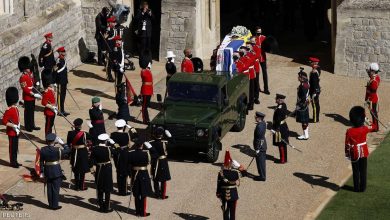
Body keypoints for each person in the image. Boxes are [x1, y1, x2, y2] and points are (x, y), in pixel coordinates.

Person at [345, 106, 375, 192]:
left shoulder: (349, 131)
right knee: (363, 170)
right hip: (363, 151)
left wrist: (347, 154)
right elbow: (374, 126)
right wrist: (366, 119)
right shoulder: (364, 129)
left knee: (355, 171)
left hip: (354, 152)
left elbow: (347, 144)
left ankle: (356, 187)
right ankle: (363, 188)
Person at [39, 133, 70, 210]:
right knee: (56, 189)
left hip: (47, 171)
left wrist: (42, 171)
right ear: (54, 141)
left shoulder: (43, 149)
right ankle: (55, 205)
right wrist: (62, 143)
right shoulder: (57, 150)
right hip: (56, 171)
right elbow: (68, 150)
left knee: (49, 188)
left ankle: (50, 204)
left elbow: (41, 162)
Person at [90, 133, 115, 213]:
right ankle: (107, 207)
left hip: (99, 169)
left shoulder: (94, 149)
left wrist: (92, 171)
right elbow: (118, 151)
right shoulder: (109, 149)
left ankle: (101, 206)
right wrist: (114, 143)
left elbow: (91, 161)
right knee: (107, 188)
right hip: (107, 169)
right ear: (106, 141)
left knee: (100, 187)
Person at [127, 139, 153, 217]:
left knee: (137, 194)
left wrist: (130, 175)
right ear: (142, 145)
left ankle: (137, 211)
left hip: (134, 175)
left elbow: (128, 165)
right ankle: (143, 213)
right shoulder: (146, 153)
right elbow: (151, 159)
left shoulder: (131, 154)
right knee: (143, 194)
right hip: (144, 174)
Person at [67, 118, 92, 191]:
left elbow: (69, 143)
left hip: (74, 152)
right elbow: (92, 137)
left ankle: (76, 186)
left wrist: (72, 131)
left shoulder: (70, 133)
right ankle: (81, 186)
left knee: (76, 169)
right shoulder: (84, 134)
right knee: (82, 170)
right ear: (80, 126)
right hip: (82, 152)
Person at [216, 150, 241, 220]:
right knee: (233, 213)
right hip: (233, 195)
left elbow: (219, 184)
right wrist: (238, 166)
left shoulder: (221, 173)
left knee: (225, 212)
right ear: (231, 164)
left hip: (224, 195)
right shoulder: (236, 173)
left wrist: (218, 193)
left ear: (225, 164)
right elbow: (244, 172)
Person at [19, 56, 41, 132]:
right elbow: (24, 89)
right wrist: (33, 94)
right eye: (28, 68)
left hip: (32, 95)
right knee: (28, 112)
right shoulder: (22, 77)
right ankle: (27, 126)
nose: (29, 69)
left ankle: (32, 125)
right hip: (27, 96)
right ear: (24, 68)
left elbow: (32, 83)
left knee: (32, 111)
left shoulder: (29, 74)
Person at [148, 127, 172, 199]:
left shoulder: (150, 143)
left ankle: (157, 194)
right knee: (163, 179)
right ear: (161, 135)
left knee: (155, 178)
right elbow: (174, 144)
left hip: (155, 161)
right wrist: (170, 137)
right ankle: (162, 195)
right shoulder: (164, 143)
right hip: (163, 162)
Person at [110, 119, 131, 196]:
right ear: (123, 127)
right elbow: (129, 145)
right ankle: (124, 190)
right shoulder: (126, 134)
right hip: (125, 153)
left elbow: (112, 145)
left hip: (117, 154)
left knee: (118, 171)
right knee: (124, 171)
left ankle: (120, 189)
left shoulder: (112, 134)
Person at [2, 87, 21, 168]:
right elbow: (4, 121)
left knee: (16, 148)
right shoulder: (8, 110)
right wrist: (13, 125)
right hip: (11, 132)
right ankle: (12, 162)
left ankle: (15, 161)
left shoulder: (15, 108)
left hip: (16, 131)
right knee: (12, 148)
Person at [271, 94, 290, 163]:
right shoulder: (283, 105)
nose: (275, 99)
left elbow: (277, 121)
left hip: (280, 128)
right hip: (284, 126)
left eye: (276, 99)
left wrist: (274, 129)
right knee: (283, 144)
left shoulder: (279, 109)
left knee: (281, 144)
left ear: (279, 100)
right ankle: (284, 158)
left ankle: (282, 159)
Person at [365, 62, 381, 132]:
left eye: (371, 70)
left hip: (372, 98)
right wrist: (369, 73)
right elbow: (371, 77)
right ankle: (375, 125)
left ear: (373, 71)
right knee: (373, 112)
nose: (369, 71)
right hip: (372, 97)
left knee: (373, 113)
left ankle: (376, 127)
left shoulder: (374, 81)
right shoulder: (376, 77)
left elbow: (373, 90)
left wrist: (368, 99)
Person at [254, 27, 270, 95]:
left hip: (263, 58)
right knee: (257, 74)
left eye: (260, 31)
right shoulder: (253, 39)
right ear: (255, 32)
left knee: (265, 74)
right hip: (256, 59)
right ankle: (257, 88)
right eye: (258, 32)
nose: (259, 33)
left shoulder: (264, 38)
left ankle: (266, 89)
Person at [296, 69, 310, 140]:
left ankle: (305, 135)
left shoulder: (303, 86)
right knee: (305, 120)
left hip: (302, 105)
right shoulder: (306, 83)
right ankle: (306, 134)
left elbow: (303, 97)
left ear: (302, 78)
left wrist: (299, 105)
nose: (298, 78)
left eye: (299, 76)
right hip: (304, 104)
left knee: (304, 121)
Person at [55, 46, 69, 116]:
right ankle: (60, 111)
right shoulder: (58, 60)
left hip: (64, 80)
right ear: (60, 53)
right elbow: (55, 70)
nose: (64, 53)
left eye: (64, 52)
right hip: (60, 81)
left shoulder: (63, 59)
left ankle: (63, 109)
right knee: (60, 96)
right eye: (63, 52)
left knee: (63, 95)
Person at [253, 112, 267, 181]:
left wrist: (257, 148)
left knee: (260, 162)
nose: (255, 118)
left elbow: (258, 139)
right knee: (260, 162)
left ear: (259, 118)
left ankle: (262, 177)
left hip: (260, 147)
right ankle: (261, 175)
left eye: (256, 117)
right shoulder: (263, 123)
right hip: (262, 145)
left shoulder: (259, 127)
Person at [140, 58, 153, 124]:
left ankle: (146, 118)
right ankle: (145, 120)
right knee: (144, 107)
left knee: (146, 105)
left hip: (149, 90)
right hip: (145, 91)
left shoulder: (147, 70)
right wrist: (147, 67)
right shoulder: (144, 71)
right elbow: (144, 74)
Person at [104, 16, 118, 82]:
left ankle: (112, 74)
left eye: (115, 22)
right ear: (110, 23)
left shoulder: (114, 28)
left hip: (113, 48)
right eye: (113, 22)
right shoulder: (108, 29)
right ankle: (108, 76)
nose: (115, 23)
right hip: (109, 48)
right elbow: (105, 37)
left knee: (112, 62)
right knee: (108, 63)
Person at [309, 57, 321, 123]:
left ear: (314, 63)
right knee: (317, 104)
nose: (310, 63)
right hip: (316, 89)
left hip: (314, 90)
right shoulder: (318, 68)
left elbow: (314, 83)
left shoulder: (314, 72)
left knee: (315, 106)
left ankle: (315, 119)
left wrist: (314, 92)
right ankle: (316, 118)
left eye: (311, 62)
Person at [250, 37, 261, 104]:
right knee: (251, 84)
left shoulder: (257, 47)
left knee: (256, 83)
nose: (252, 43)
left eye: (253, 42)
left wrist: (251, 52)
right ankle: (251, 97)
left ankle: (256, 98)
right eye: (251, 42)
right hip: (250, 69)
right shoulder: (249, 47)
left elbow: (257, 56)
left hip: (255, 68)